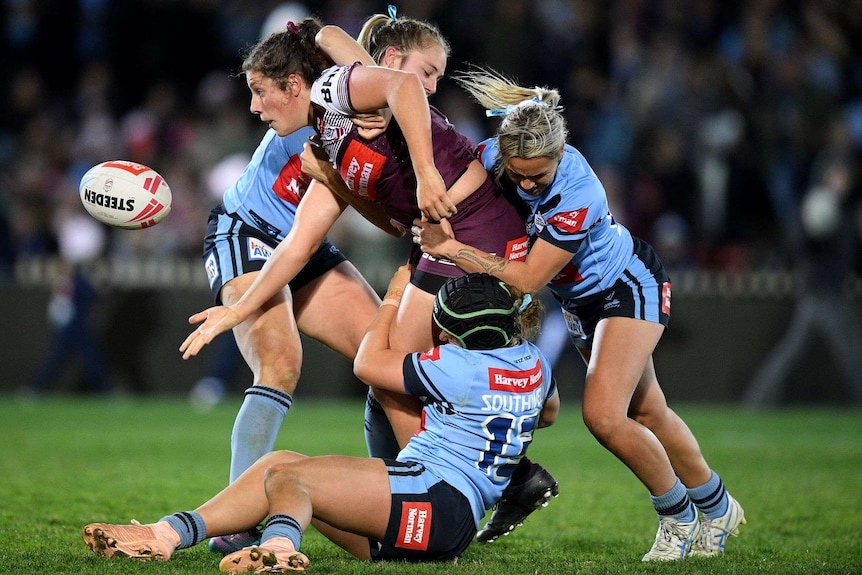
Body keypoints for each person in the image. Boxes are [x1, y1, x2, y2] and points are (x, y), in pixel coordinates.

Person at [179, 12, 558, 547]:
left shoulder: (354, 123)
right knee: (282, 362)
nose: (430, 89)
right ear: (388, 62)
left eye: (260, 93)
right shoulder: (344, 94)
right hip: (249, 231)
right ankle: (239, 524)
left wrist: (359, 171)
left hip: (301, 242)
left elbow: (353, 220)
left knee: (387, 364)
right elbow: (328, 40)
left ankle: (410, 498)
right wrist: (238, 309)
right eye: (426, 73)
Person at [413, 66, 746, 561]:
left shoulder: (578, 192)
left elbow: (528, 278)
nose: (526, 186)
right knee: (647, 411)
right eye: (517, 174)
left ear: (561, 155)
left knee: (604, 416)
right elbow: (472, 173)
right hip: (582, 301)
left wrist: (452, 247)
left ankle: (677, 516)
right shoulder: (498, 156)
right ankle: (718, 507)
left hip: (626, 285)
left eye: (537, 176)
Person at [83, 268, 560, 572]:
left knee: (292, 479)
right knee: (279, 462)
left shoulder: (458, 367)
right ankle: (168, 533)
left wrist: (392, 299)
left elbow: (368, 365)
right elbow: (550, 412)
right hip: (440, 517)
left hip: (433, 498)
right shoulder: (535, 363)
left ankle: (280, 550)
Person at [743, 147, 862, 407]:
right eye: (837, 174)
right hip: (823, 292)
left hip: (828, 291)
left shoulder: (843, 211)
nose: (842, 179)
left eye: (845, 175)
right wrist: (815, 229)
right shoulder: (819, 204)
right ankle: (757, 400)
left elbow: (851, 256)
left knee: (792, 354)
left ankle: (757, 400)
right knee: (852, 352)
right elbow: (800, 242)